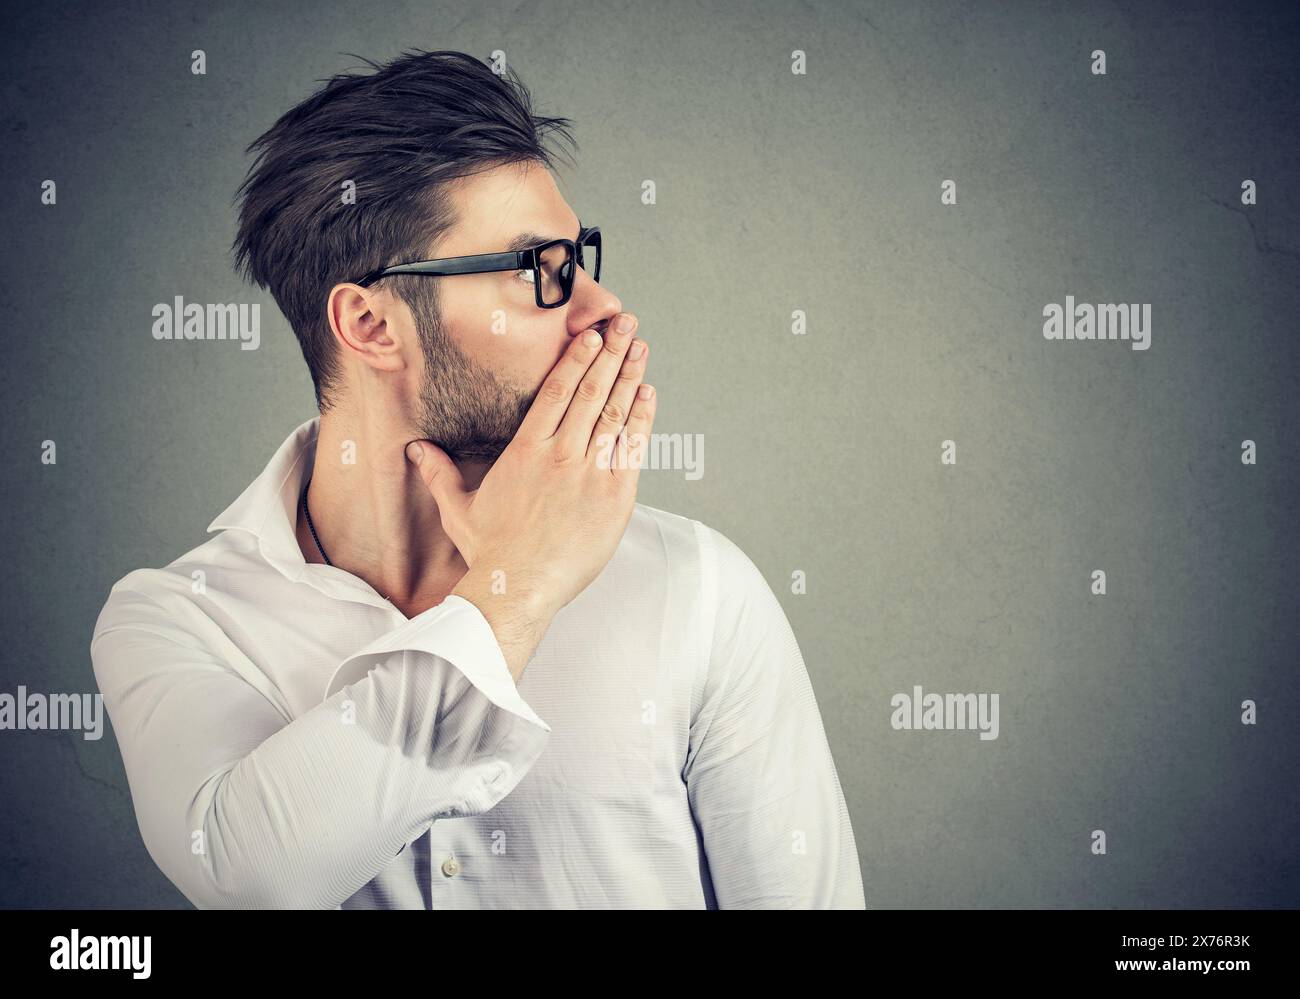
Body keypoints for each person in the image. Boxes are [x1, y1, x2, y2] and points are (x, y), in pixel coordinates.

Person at [90, 49, 865, 909]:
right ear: (372, 323)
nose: (603, 309)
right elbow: (253, 874)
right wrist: (511, 593)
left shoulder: (702, 593)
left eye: (581, 257)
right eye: (538, 268)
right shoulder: (179, 617)